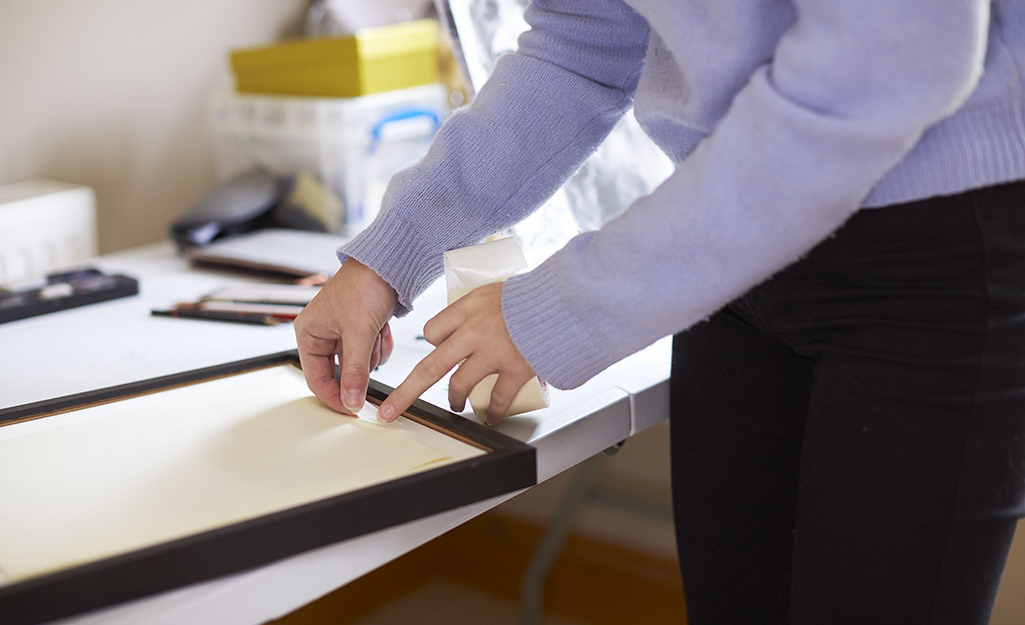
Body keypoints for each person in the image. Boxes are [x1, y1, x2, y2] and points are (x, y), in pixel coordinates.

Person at [294, 0, 1025, 622]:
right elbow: (580, 47)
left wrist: (562, 306)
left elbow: (889, 65)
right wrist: (387, 257)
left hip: (938, 253)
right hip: (734, 249)